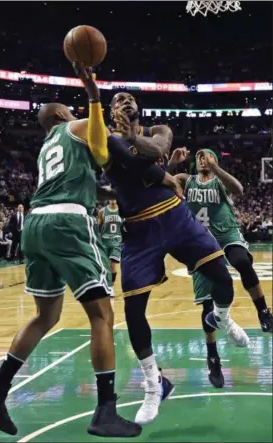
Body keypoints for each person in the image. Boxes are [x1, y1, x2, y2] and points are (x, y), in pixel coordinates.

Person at [0, 66, 142, 438]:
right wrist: (96, 98)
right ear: (62, 115)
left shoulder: (48, 146)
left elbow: (86, 182)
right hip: (68, 224)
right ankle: (105, 411)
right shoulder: (76, 126)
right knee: (102, 316)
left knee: (44, 316)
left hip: (37, 225)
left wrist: (116, 195)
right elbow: (103, 150)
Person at [104, 92, 249, 425]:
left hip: (175, 216)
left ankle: (222, 318)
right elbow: (135, 164)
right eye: (118, 99)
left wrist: (157, 164)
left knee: (223, 278)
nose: (125, 101)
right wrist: (163, 172)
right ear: (112, 113)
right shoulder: (108, 140)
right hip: (139, 229)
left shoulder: (159, 131)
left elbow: (150, 153)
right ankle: (155, 385)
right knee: (133, 311)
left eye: (129, 97)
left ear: (138, 108)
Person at [172, 148, 273, 387]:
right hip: (200, 241)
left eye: (206, 156)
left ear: (215, 161)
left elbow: (238, 189)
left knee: (242, 261)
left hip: (226, 233)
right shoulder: (186, 180)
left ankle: (264, 312)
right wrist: (172, 162)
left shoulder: (219, 180)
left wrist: (215, 168)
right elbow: (159, 179)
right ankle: (213, 357)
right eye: (197, 156)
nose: (201, 158)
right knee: (207, 304)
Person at [98, 199, 122, 289]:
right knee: (104, 266)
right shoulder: (102, 211)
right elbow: (98, 226)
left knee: (113, 265)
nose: (113, 200)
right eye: (111, 198)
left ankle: (111, 287)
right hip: (104, 241)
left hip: (116, 242)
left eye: (115, 198)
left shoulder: (122, 210)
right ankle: (103, 284)